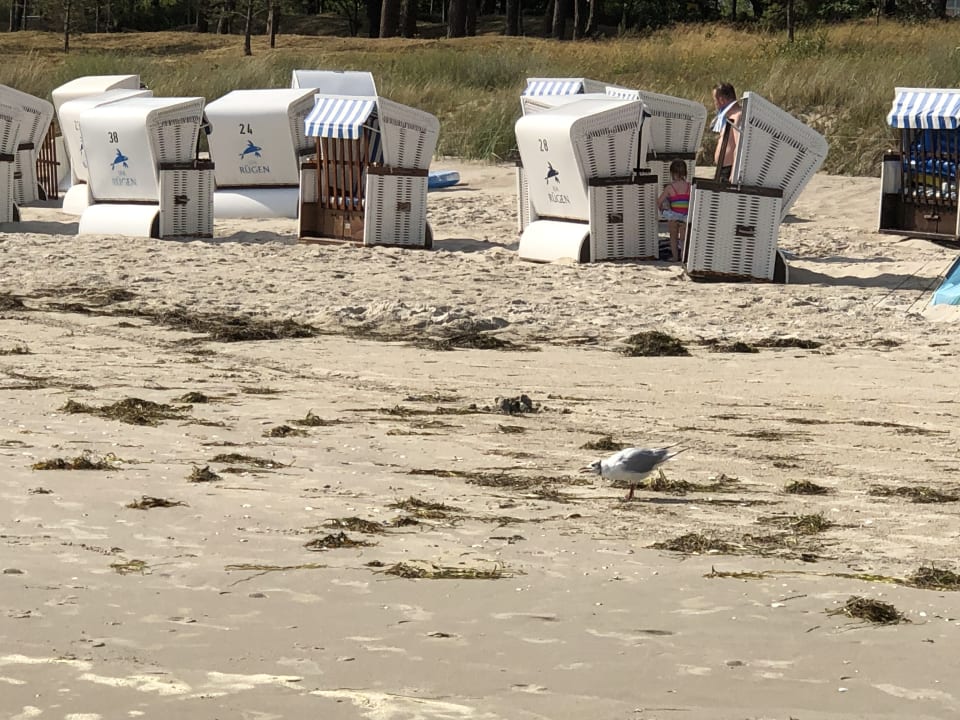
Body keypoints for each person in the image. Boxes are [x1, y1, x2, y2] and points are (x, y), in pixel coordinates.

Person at [657, 159, 690, 262]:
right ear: (685, 173)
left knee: (673, 238)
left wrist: (663, 210)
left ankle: (675, 257)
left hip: (673, 216)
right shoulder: (689, 186)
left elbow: (659, 201)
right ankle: (684, 257)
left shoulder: (670, 187)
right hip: (685, 216)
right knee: (683, 239)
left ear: (672, 173)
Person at [712, 82, 741, 183]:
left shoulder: (737, 116)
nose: (715, 104)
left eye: (715, 101)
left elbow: (739, 146)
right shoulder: (728, 117)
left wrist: (734, 173)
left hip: (729, 170)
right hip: (722, 169)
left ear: (721, 100)